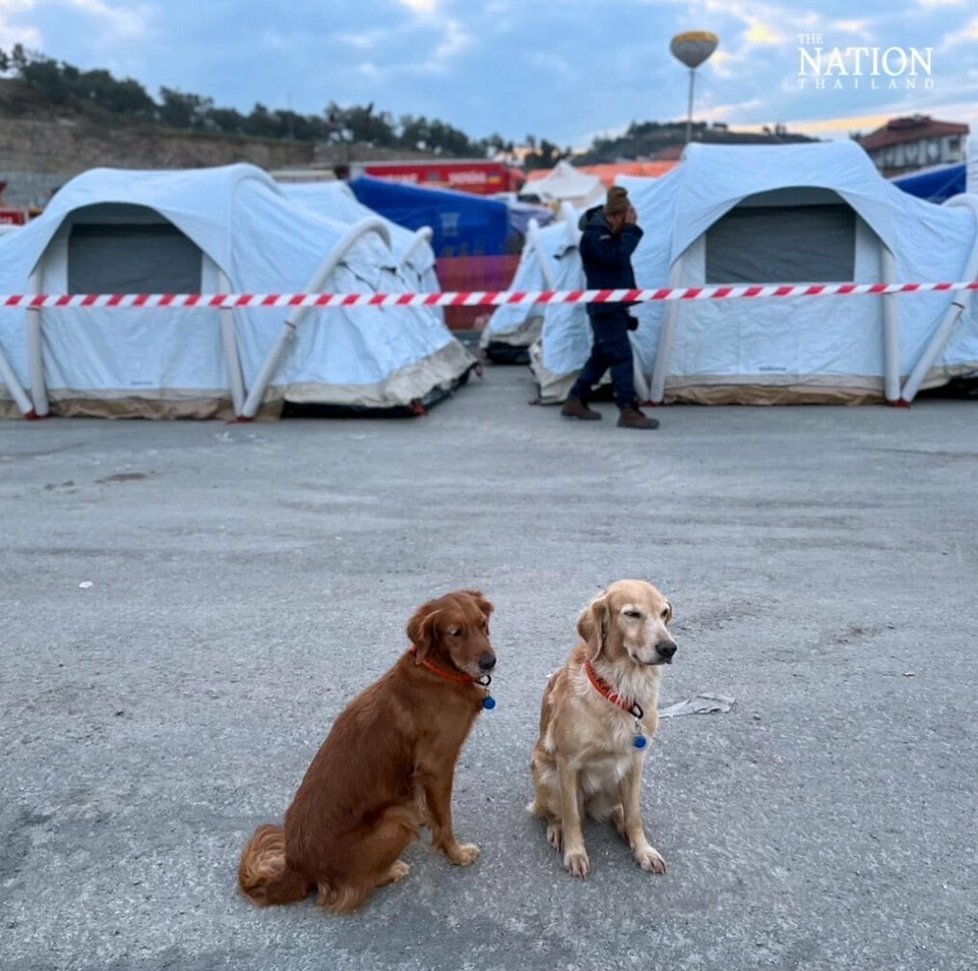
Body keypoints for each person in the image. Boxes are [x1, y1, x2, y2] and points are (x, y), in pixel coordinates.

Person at [560, 185, 658, 430]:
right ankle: (628, 409)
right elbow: (616, 259)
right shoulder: (595, 236)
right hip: (605, 307)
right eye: (628, 216)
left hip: (612, 305)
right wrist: (631, 231)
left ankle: (576, 399)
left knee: (603, 355)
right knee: (621, 356)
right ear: (616, 216)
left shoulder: (606, 233)